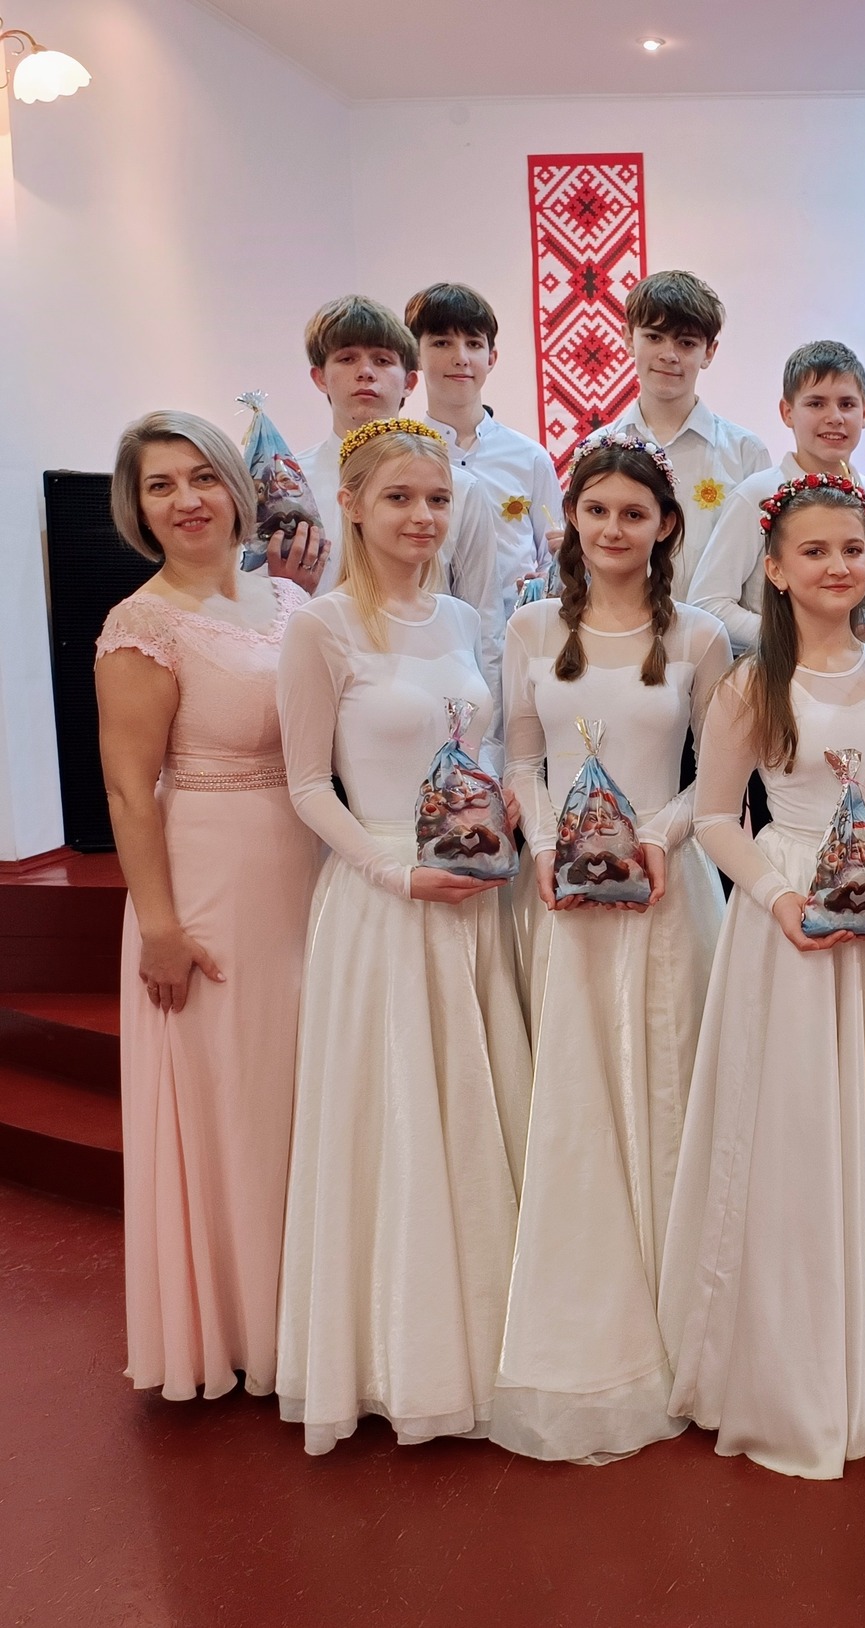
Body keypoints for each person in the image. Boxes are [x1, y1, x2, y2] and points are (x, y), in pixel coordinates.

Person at [274, 418, 531, 1455]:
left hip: (471, 890)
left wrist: (503, 820)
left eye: (436, 500)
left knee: (473, 1106)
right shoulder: (321, 626)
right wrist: (392, 870)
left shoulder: (465, 618)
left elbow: (489, 745)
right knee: (394, 1117)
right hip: (384, 897)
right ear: (350, 503)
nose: (422, 517)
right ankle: (397, 1350)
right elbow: (305, 783)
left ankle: (491, 1334)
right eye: (399, 498)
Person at [657, 474, 865, 1479]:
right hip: (788, 912)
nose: (837, 566)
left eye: (852, 548)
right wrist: (777, 898)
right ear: (773, 568)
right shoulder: (750, 685)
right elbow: (715, 817)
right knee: (797, 1121)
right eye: (814, 551)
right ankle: (789, 1355)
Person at [491, 427, 732, 1463]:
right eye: (597, 510)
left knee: (671, 1075)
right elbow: (522, 757)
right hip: (565, 896)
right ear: (573, 518)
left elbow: (716, 776)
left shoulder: (701, 637)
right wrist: (549, 845)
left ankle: (688, 1310)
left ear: (666, 525)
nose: (614, 528)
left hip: (667, 891)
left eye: (634, 513)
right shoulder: (531, 626)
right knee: (580, 1083)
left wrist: (655, 837)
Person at [94, 411, 322, 1405]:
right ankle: (242, 1325)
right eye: (160, 485)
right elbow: (125, 791)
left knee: (302, 1085)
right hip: (209, 879)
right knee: (233, 1094)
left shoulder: (286, 597)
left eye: (201, 477)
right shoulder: (140, 625)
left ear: (236, 485)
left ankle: (316, 1309)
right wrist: (159, 925)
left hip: (306, 863)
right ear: (137, 508)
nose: (186, 499)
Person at [295, 296, 506, 742]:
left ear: (410, 379)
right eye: (347, 358)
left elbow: (484, 622)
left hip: (428, 708)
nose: (365, 373)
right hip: (320, 702)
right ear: (319, 377)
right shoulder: (290, 485)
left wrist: (488, 746)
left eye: (382, 360)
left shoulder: (461, 488)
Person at [690, 340, 865, 658]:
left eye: (847, 404)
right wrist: (799, 637)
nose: (834, 417)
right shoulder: (757, 495)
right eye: (816, 403)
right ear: (787, 412)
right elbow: (707, 604)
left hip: (864, 672)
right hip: (779, 672)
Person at [601, 269, 770, 588]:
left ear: (709, 352)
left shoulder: (745, 453)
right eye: (654, 337)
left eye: (686, 343)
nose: (669, 355)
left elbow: (761, 568)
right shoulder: (599, 448)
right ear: (628, 339)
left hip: (721, 622)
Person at [405, 281, 564, 622]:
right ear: (416, 354)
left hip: (517, 634)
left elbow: (555, 554)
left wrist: (546, 581)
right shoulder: (402, 459)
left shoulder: (530, 458)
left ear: (491, 358)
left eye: (474, 344)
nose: (460, 358)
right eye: (442, 343)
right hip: (427, 632)